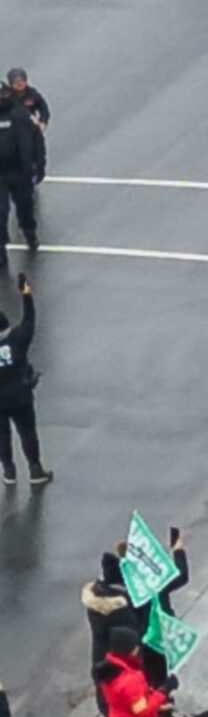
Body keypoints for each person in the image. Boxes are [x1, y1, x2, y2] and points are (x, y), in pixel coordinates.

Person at [0, 273, 51, 486]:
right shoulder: (18, 338)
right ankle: (35, 468)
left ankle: (9, 471)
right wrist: (26, 294)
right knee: (27, 431)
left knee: (2, 436)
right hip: (20, 395)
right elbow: (29, 320)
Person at [0, 84, 46, 256]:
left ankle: (30, 234)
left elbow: (37, 142)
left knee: (25, 207)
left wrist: (39, 166)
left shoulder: (21, 115)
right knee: (0, 212)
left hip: (21, 171)